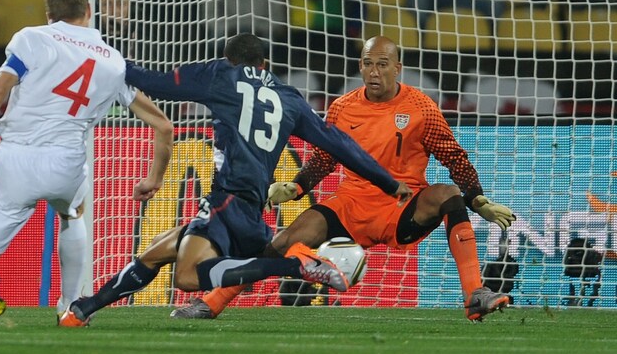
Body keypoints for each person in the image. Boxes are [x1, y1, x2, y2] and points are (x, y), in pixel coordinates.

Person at [58, 33, 413, 327]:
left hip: (226, 199)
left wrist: (103, 57)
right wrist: (387, 182)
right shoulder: (289, 98)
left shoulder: (221, 76)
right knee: (154, 254)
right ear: (265, 65)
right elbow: (339, 144)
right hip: (249, 209)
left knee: (185, 276)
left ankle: (299, 265)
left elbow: (154, 82)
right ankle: (82, 311)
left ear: (229, 60)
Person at [172, 36, 517, 322]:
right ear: (360, 66)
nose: (374, 71)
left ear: (398, 68)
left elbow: (453, 155)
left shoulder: (422, 107)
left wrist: (477, 200)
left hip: (401, 207)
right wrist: (297, 186)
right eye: (368, 63)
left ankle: (475, 294)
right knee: (285, 240)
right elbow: (325, 157)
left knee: (447, 193)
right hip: (350, 206)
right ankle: (212, 302)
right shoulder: (342, 107)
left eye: (382, 64)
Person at [0, 0, 173, 327]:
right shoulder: (112, 61)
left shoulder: (32, 38)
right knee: (73, 213)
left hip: (17, 157)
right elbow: (165, 126)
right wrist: (153, 178)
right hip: (68, 162)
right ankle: (70, 305)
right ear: (89, 12)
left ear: (50, 15)